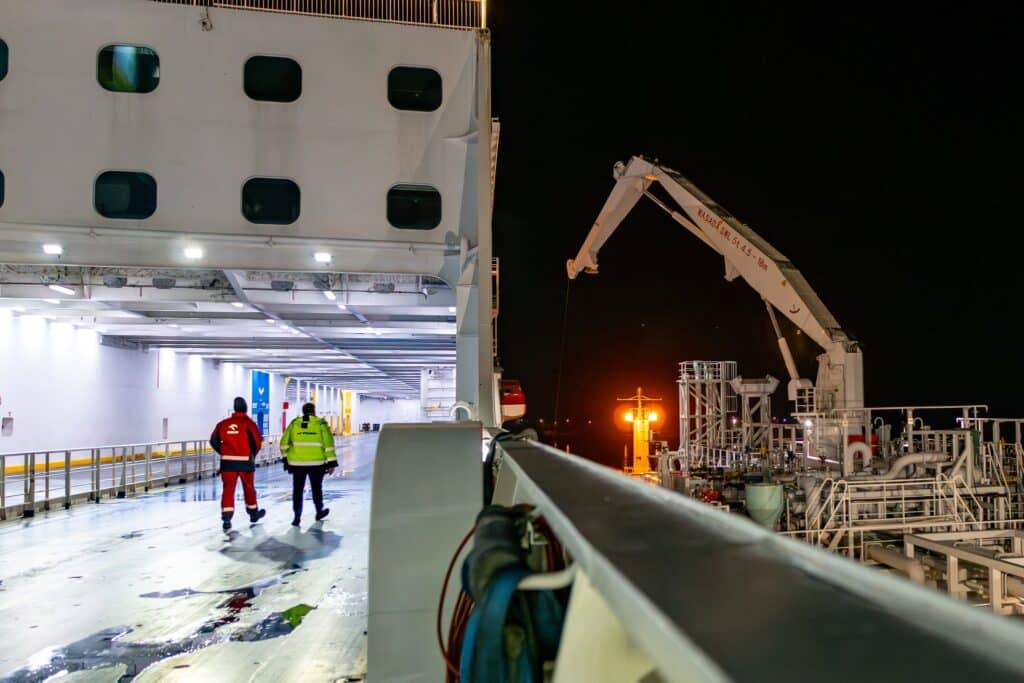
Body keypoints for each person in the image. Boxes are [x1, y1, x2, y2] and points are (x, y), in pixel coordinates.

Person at [210, 396, 266, 531]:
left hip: (227, 463)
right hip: (245, 462)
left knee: (228, 490)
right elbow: (256, 443)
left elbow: (213, 441)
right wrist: (251, 455)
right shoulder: (249, 424)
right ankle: (253, 514)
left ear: (234, 408)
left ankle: (227, 518)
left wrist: (224, 452)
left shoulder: (222, 424)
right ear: (246, 408)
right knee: (249, 488)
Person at [281, 402, 337, 527]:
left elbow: (284, 443)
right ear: (314, 411)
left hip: (297, 464)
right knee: (317, 489)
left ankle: (297, 516)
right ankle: (319, 511)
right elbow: (329, 444)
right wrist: (331, 463)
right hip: (317, 464)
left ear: (303, 411)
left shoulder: (294, 423)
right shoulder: (321, 424)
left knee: (297, 490)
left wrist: (286, 459)